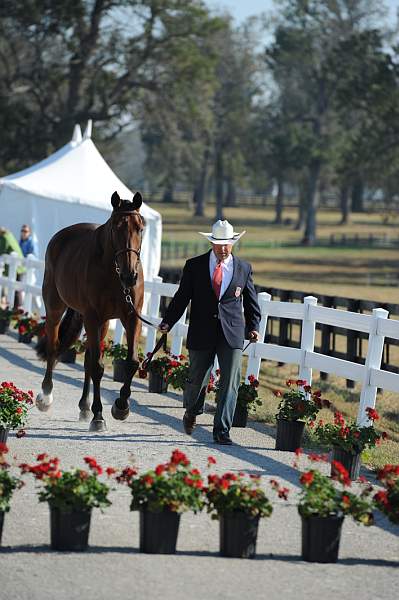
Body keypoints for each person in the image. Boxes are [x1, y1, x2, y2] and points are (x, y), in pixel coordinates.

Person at [159, 219, 261, 445]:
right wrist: (168, 321)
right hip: (202, 330)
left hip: (232, 333)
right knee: (197, 379)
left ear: (233, 243)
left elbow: (252, 302)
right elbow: (181, 298)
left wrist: (253, 327)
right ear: (211, 243)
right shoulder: (194, 265)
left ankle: (222, 431)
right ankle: (192, 411)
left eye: (226, 244)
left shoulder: (243, 268)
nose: (222, 248)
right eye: (218, 244)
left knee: (230, 382)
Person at [0, 227, 24, 308]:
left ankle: (17, 308)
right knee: (16, 287)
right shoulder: (9, 235)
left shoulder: (4, 237)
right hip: (19, 265)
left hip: (16, 267)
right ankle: (16, 308)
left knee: (16, 288)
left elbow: (2, 249)